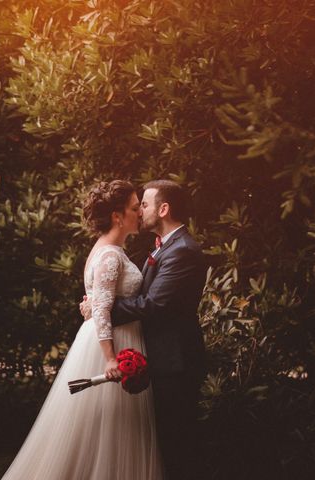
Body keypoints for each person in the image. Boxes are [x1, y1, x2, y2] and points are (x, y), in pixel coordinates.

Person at [1, 180, 163, 480]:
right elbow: (100, 309)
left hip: (114, 336)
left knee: (111, 430)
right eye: (133, 207)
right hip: (111, 343)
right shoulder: (110, 254)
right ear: (117, 216)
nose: (140, 212)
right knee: (109, 429)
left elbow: (101, 303)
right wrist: (111, 358)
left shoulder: (107, 250)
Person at [81, 179, 207, 480]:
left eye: (145, 205)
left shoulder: (183, 250)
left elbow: (154, 304)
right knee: (164, 443)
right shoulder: (164, 248)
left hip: (175, 362)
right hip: (160, 359)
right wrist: (100, 305)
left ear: (163, 209)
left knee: (177, 445)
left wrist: (103, 308)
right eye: (137, 207)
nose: (141, 212)